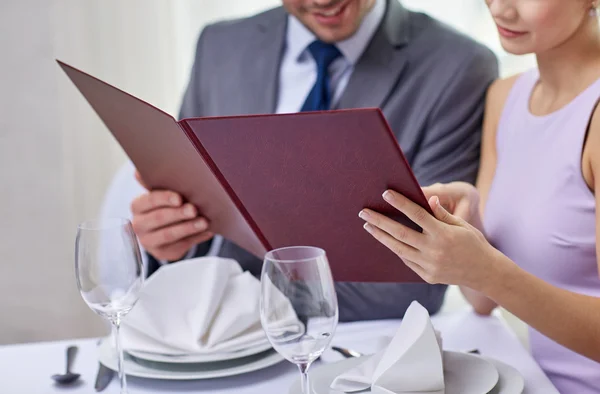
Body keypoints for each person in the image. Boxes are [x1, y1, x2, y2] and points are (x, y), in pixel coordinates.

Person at [129, 0, 498, 322]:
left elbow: (414, 279)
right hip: (218, 343)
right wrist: (170, 240)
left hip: (364, 348)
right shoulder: (219, 46)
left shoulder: (458, 67)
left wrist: (237, 300)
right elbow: (197, 227)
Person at [359, 0, 600, 391]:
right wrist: (467, 226)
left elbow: (495, 281)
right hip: (531, 377)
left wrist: (487, 268)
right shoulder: (506, 97)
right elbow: (482, 301)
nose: (501, 9)